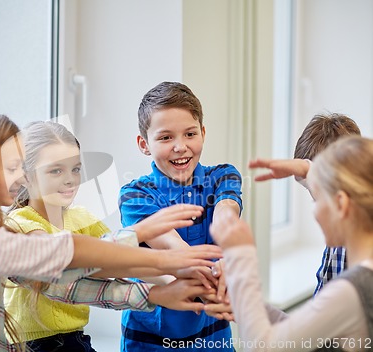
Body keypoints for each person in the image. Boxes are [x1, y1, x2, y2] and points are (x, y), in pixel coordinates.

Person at [0, 108, 222, 351]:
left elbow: (61, 280)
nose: (7, 179)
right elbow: (62, 255)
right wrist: (163, 255)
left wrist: (157, 289)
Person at [3, 120, 218, 352]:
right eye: (56, 170)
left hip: (76, 341)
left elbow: (121, 260)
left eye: (75, 169)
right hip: (29, 346)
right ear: (25, 175)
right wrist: (144, 238)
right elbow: (61, 275)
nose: (70, 179)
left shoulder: (82, 218)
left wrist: (190, 286)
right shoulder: (20, 223)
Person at [210, 135, 373, 351]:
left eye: (317, 199)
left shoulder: (352, 290)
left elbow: (263, 347)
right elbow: (308, 335)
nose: (315, 211)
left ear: (341, 204)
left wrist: (241, 256)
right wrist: (249, 307)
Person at [119, 81, 243, 351]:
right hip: (150, 339)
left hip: (213, 336)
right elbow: (178, 253)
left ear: (203, 133)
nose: (180, 147)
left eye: (190, 134)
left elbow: (226, 217)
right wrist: (217, 276)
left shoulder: (224, 176)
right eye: (165, 138)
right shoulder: (134, 194)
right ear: (144, 144)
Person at [249, 113, 361, 295]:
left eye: (320, 197)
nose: (316, 211)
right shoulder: (336, 245)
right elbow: (317, 319)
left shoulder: (359, 258)